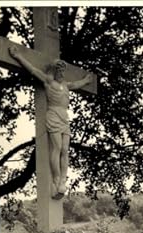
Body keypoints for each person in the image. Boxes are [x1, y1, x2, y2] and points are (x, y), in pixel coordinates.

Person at [9, 45, 92, 199]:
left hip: (64, 116)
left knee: (65, 149)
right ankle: (55, 179)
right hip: (53, 114)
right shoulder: (48, 82)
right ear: (54, 71)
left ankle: (62, 181)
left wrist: (87, 80)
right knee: (57, 147)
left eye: (62, 71)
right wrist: (18, 57)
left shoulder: (66, 85)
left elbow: (77, 84)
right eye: (58, 70)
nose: (60, 73)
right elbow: (33, 69)